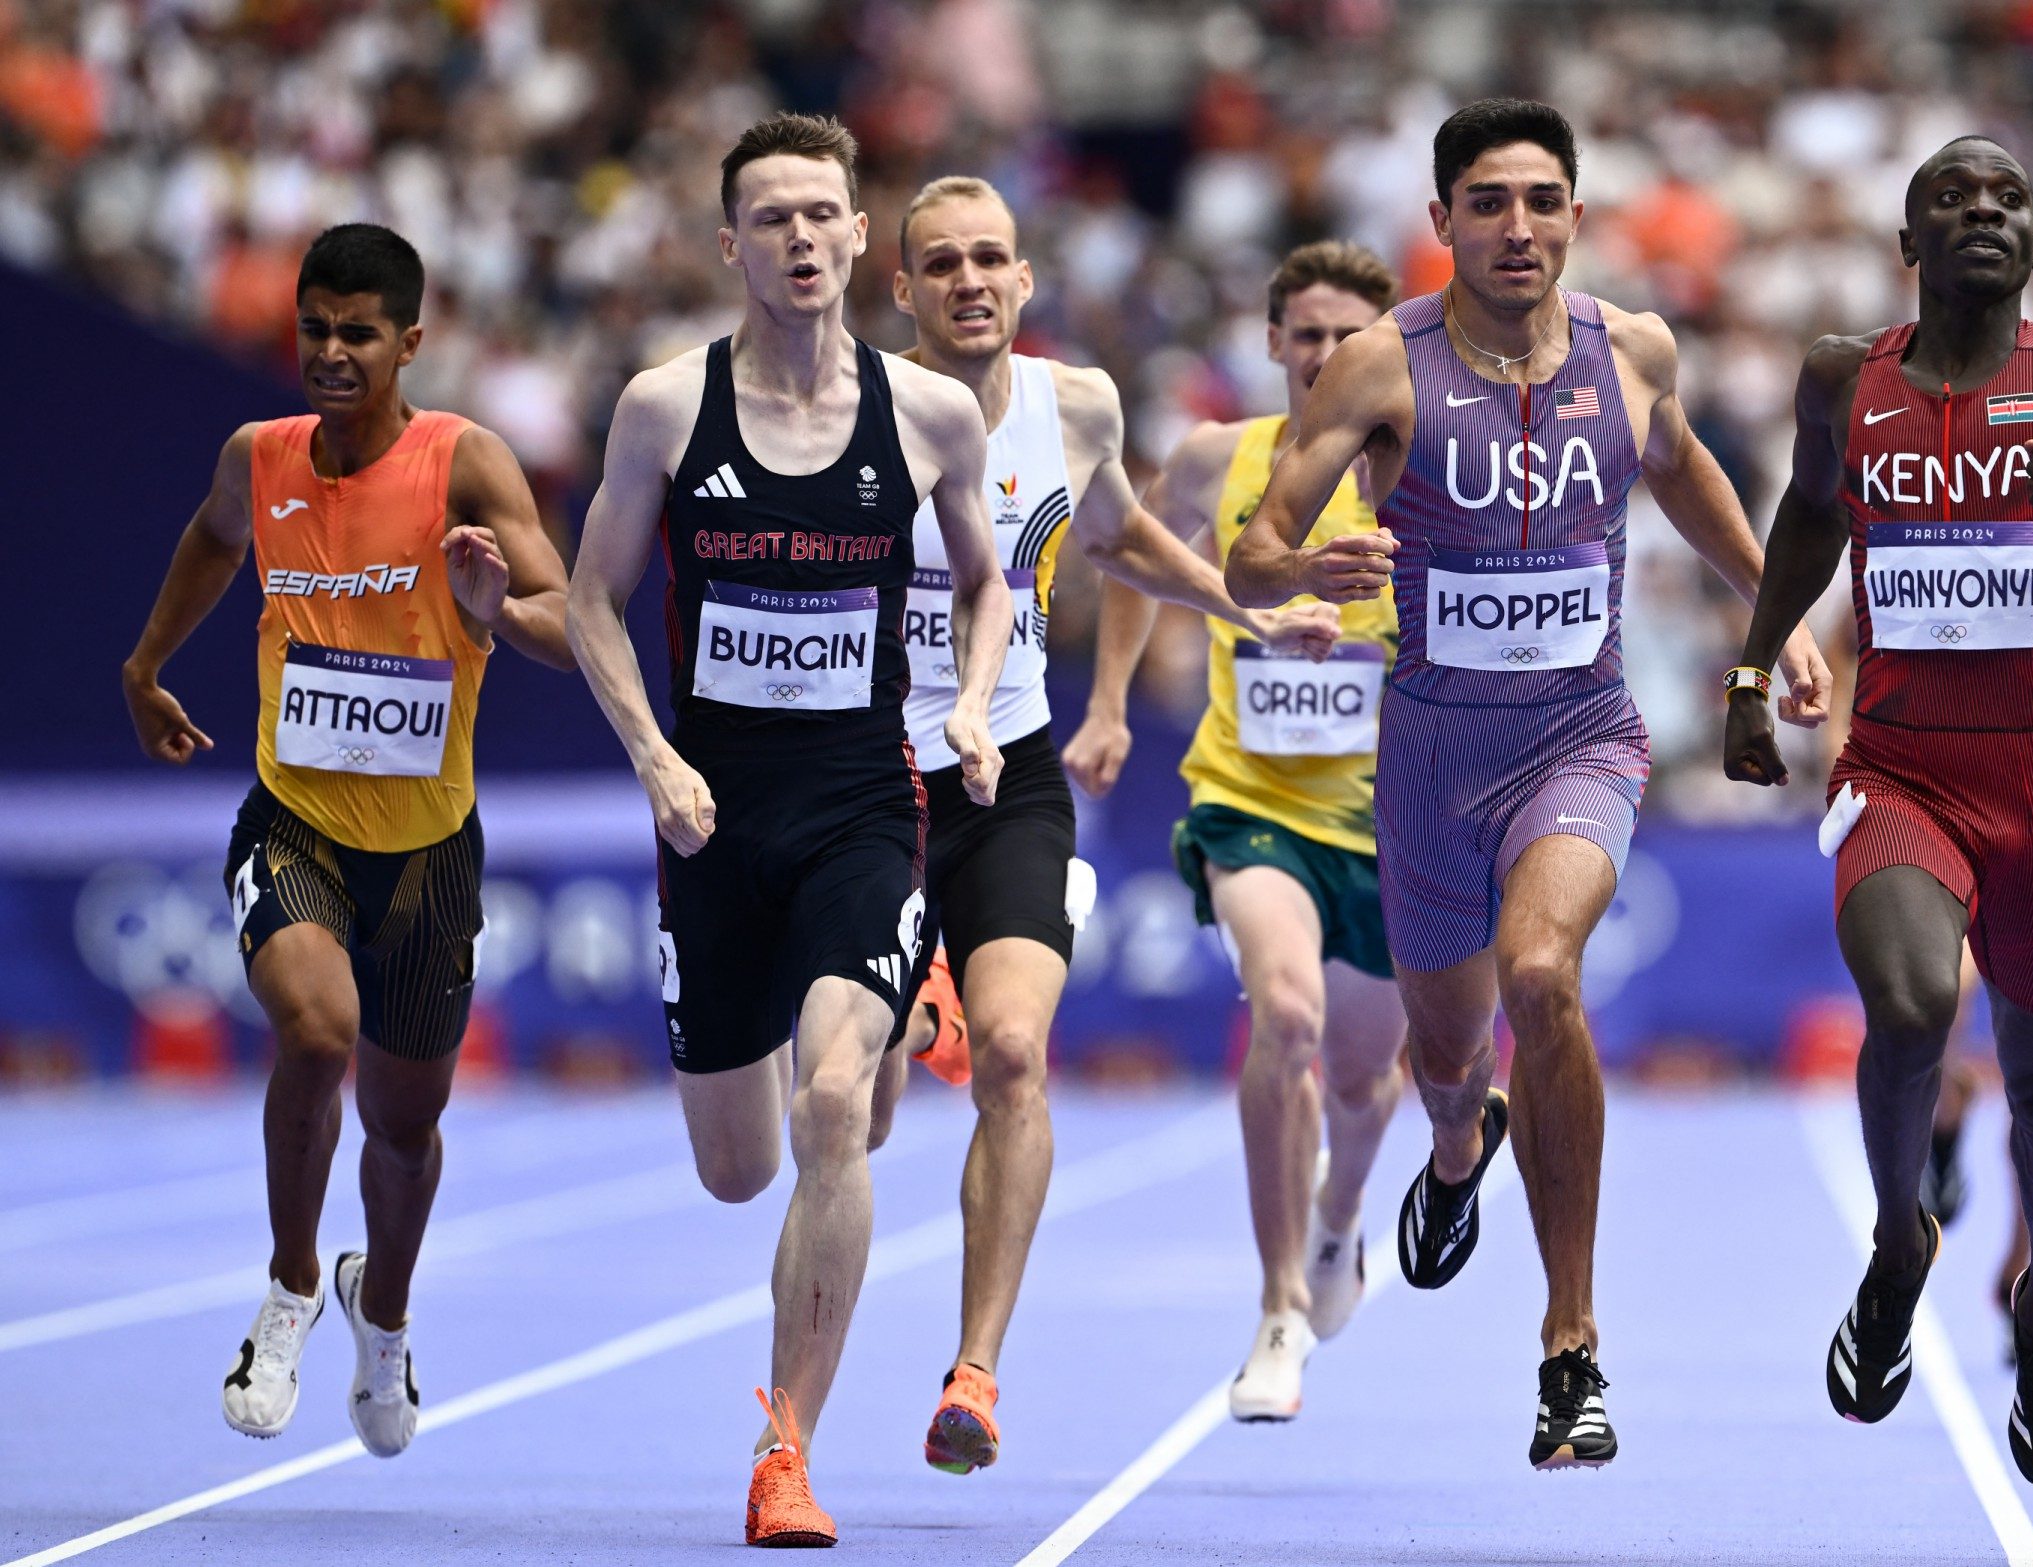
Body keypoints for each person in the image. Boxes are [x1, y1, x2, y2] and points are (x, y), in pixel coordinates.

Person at [1228, 99, 1832, 1470]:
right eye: (1489, 202)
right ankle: (1459, 1147)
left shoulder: (1635, 352)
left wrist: (1774, 614)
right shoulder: (1382, 365)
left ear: (1577, 212)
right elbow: (1257, 555)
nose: (1519, 227)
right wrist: (1298, 572)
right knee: (1445, 1062)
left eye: (1544, 200)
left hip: (1584, 736)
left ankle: (1570, 1346)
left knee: (1544, 971)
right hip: (1434, 764)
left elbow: (1681, 473)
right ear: (1440, 222)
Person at [1724, 136, 2033, 1486]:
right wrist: (1755, 669)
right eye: (1953, 198)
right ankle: (1898, 1239)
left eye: (2008, 200)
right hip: (1903, 768)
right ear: (1909, 243)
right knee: (1914, 1008)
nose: (1983, 213)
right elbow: (1812, 514)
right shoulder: (1844, 376)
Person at [565, 113, 1010, 1548]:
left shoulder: (932, 413)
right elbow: (591, 602)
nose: (803, 240)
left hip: (864, 804)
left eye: (825, 215)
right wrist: (653, 759)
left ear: (858, 236)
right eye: (773, 220)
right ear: (730, 245)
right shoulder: (663, 408)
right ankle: (884, 1019)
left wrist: (979, 705)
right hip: (712, 814)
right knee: (739, 1166)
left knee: (832, 1107)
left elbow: (987, 585)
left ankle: (787, 1447)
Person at [877, 176, 1339, 1473]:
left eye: (993, 260)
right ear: (903, 290)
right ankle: (913, 1007)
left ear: (1024, 282)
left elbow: (1127, 539)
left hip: (1007, 769)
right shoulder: (853, 416)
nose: (970, 281)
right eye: (942, 264)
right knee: (848, 1098)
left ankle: (975, 1370)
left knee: (1018, 1055)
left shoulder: (1074, 403)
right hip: (866, 780)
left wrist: (1249, 615)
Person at [120, 222, 574, 1457]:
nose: (330, 351)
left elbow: (570, 614)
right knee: (315, 1032)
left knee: (406, 1129)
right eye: (314, 327)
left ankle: (384, 1316)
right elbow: (216, 536)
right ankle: (286, 1289)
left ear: (409, 341)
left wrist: (497, 607)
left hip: (428, 854)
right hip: (294, 820)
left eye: (358, 333)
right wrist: (149, 663)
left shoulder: (465, 463)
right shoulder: (257, 456)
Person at [1070, 240, 1406, 1422]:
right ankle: (1275, 1310)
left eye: (1344, 336)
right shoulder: (1218, 460)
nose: (1321, 355)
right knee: (1290, 1013)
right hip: (1250, 803)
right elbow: (1123, 550)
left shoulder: (1427, 469)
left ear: (1383, 347)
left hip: (1395, 820)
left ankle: (1338, 1219)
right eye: (1303, 333)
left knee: (1370, 1079)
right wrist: (1109, 702)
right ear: (1271, 343)